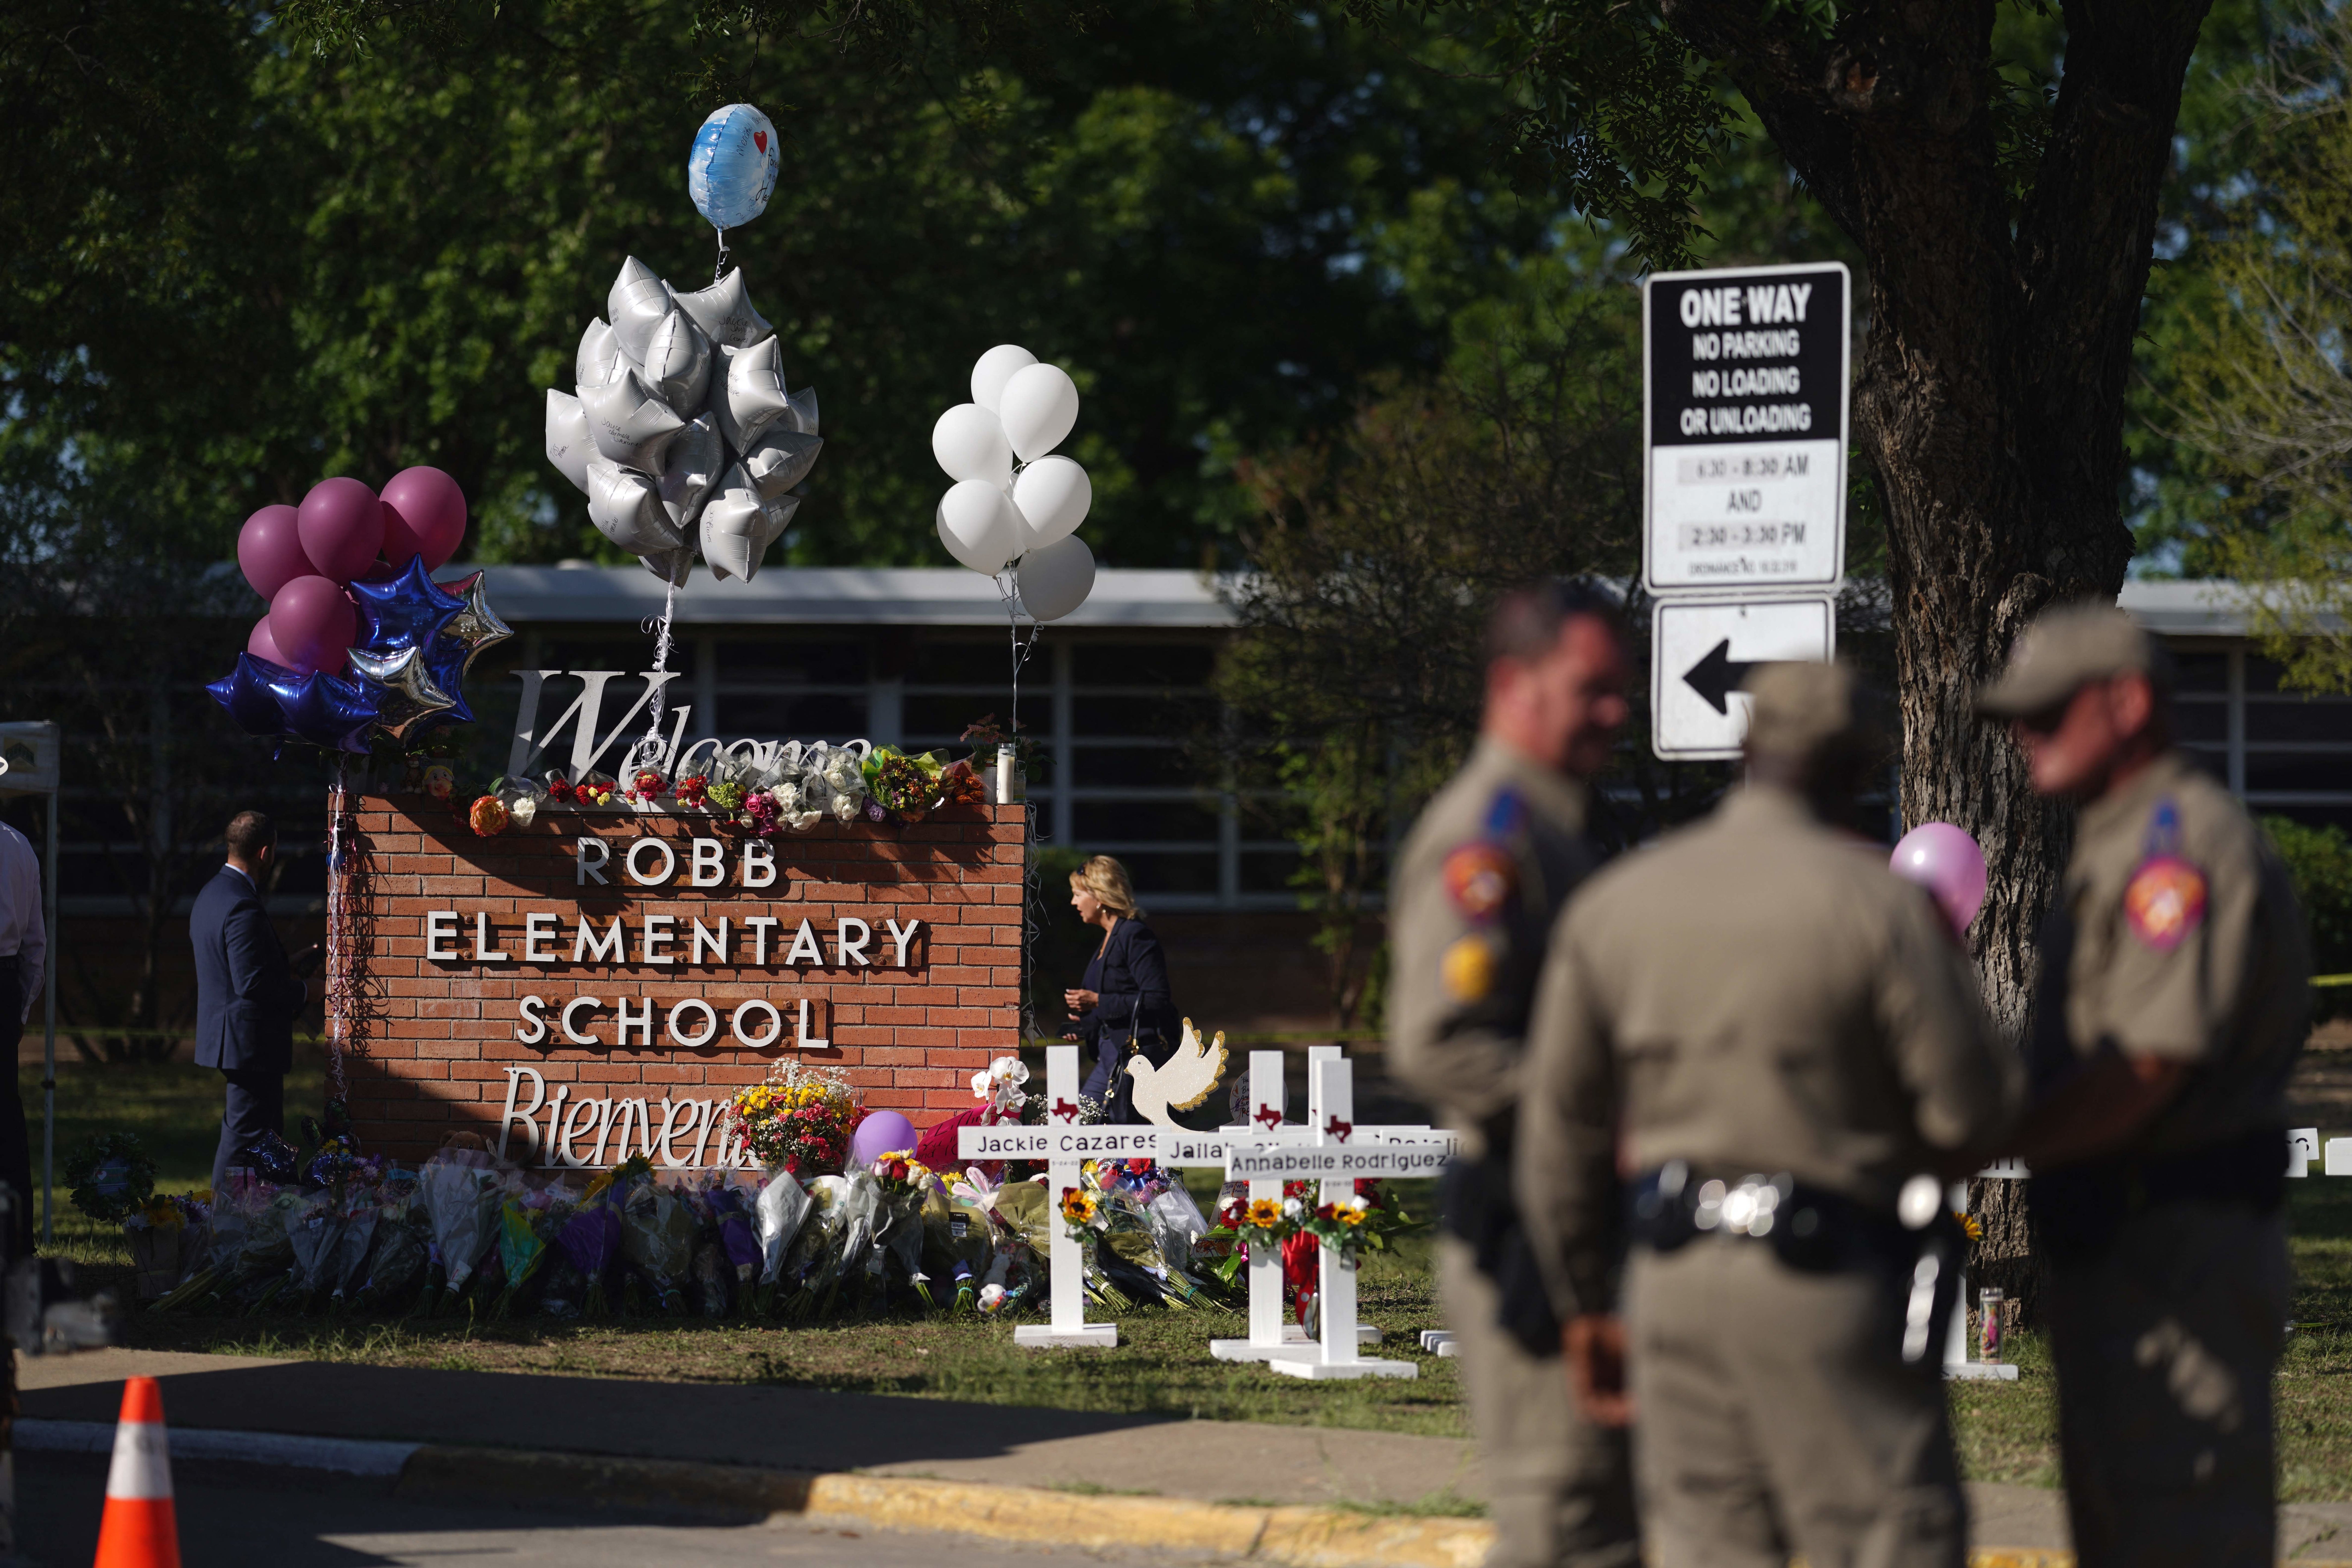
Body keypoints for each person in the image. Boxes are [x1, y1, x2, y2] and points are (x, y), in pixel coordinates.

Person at [1516, 661, 2019, 1568]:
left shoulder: (1621, 903)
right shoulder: (1883, 911)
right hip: (1828, 1279)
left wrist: (1587, 1301)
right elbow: (1970, 1114)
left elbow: (1561, 1133)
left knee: (1716, 1544)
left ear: (1747, 750)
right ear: (1859, 768)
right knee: (1885, 1536)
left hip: (1671, 1283)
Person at [1979, 602, 2310, 1568]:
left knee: (2181, 1533)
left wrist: (1981, 1140)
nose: (2019, 731)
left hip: (2176, 1256)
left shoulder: (2175, 843)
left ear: (2126, 702)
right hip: (2124, 1247)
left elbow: (2145, 1066)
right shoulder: (2114, 838)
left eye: (2046, 710)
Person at [1386, 579, 1638, 1568]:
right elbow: (1438, 1040)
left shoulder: (1555, 827)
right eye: (1591, 688)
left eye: (1622, 689)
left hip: (1578, 1217)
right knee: (1564, 1519)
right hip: (1522, 1225)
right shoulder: (1486, 838)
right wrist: (1608, 1120)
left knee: (1604, 1520)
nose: (1615, 711)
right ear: (1514, 684)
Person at [193, 811, 319, 1193]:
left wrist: (286, 965)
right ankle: (219, 1229)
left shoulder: (213, 893)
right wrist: (309, 991)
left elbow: (238, 969)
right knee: (243, 1142)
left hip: (234, 1041)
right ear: (266, 852)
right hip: (249, 1046)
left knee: (258, 1139)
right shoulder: (242, 904)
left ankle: (252, 1227)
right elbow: (251, 983)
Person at [1062, 855, 1179, 1121]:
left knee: (1121, 1138)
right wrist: (1085, 1024)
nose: (1074, 902)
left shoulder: (1134, 935)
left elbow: (1156, 998)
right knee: (1080, 1125)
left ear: (1099, 896)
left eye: (1078, 894)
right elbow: (1114, 999)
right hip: (1109, 1055)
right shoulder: (1109, 938)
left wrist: (1097, 1001)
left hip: (1133, 1058)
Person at [0, 814, 46, 1254]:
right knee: (7, 1119)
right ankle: (15, 1241)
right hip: (5, 984)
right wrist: (21, 1010)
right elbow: (36, 943)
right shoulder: (18, 845)